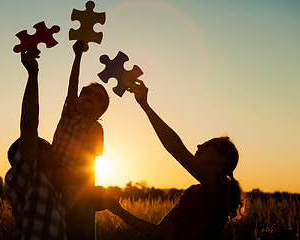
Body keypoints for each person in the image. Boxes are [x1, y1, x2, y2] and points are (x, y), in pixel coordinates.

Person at [106, 79, 244, 240]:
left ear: (221, 159)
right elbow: (158, 232)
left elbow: (176, 149)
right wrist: (118, 210)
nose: (199, 145)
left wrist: (145, 106)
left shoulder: (220, 187)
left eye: (208, 144)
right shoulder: (191, 192)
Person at [4, 48, 66, 240]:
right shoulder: (25, 177)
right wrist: (33, 74)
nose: (51, 148)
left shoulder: (53, 189)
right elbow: (29, 126)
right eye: (43, 146)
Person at [51, 40, 110, 240]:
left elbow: (92, 163)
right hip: (54, 177)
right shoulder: (71, 113)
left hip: (78, 185)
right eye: (87, 92)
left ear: (102, 109)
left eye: (97, 96)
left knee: (81, 229)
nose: (90, 95)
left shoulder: (98, 129)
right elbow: (72, 85)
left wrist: (89, 191)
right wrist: (78, 56)